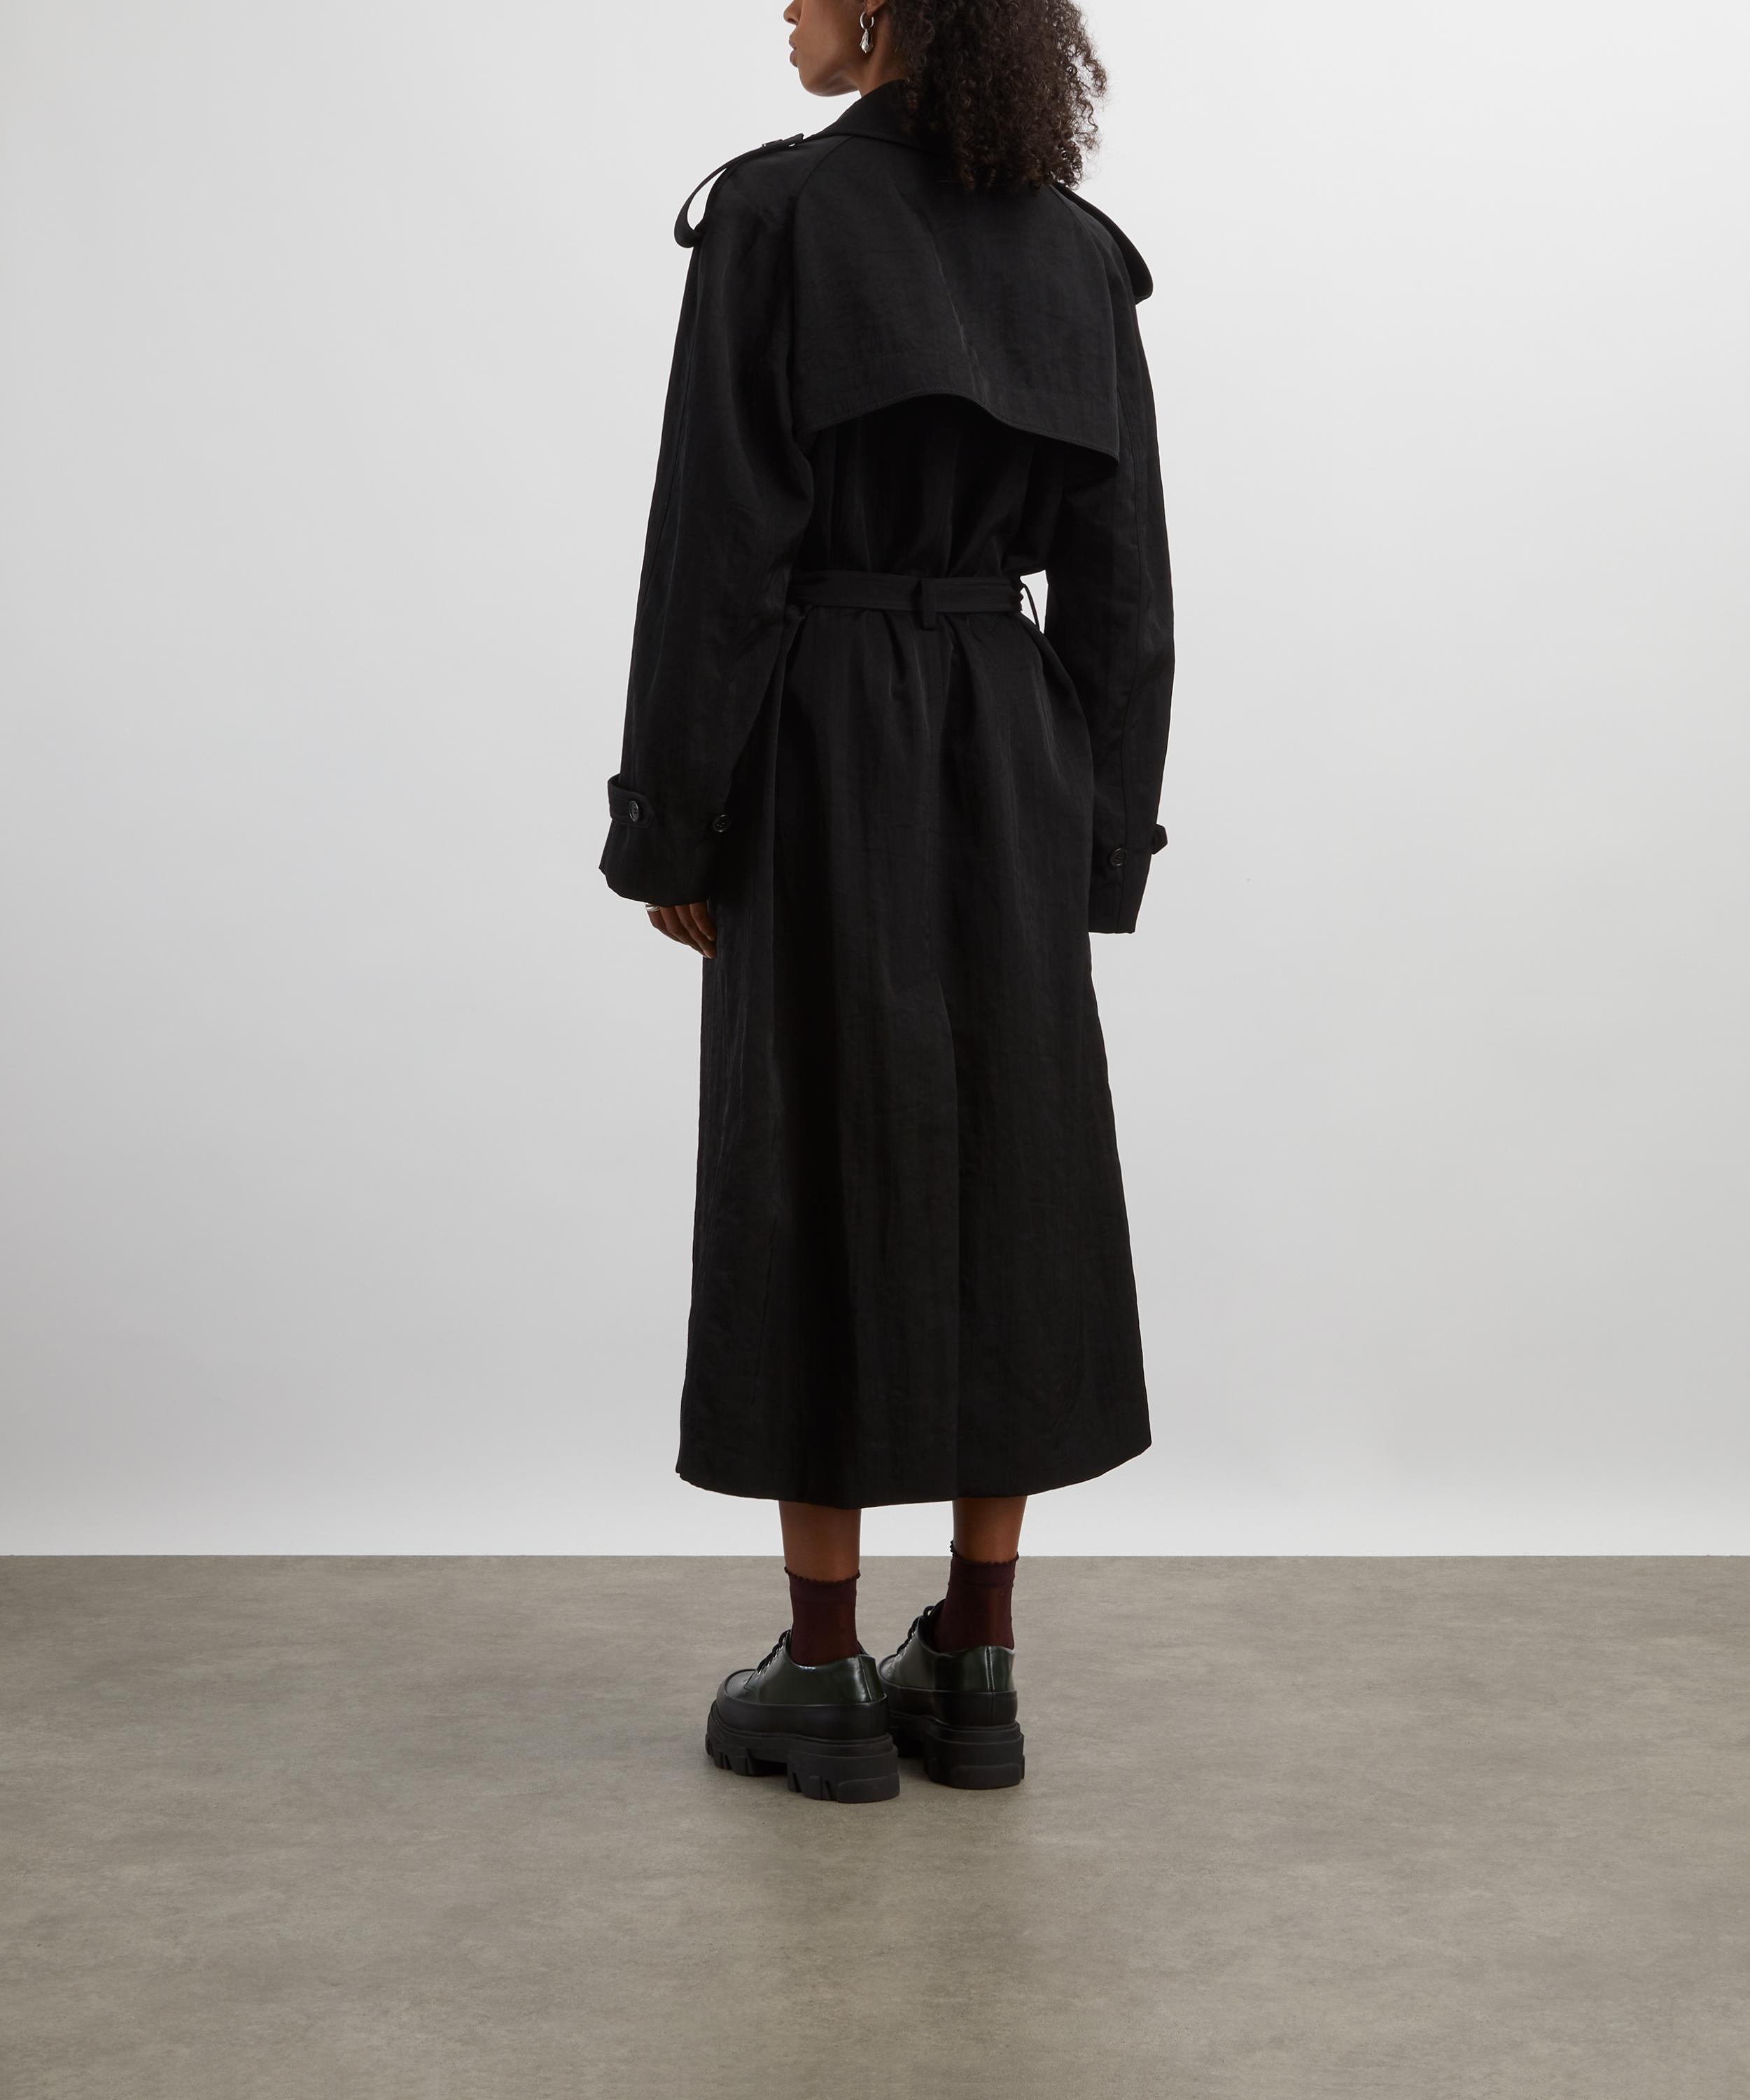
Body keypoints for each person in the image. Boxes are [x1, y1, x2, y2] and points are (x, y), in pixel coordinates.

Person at [600, 0, 1173, 1802]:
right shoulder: (1077, 252)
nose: (781, 7)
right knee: (1015, 1162)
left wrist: (671, 826)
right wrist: (1103, 838)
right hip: (1013, 737)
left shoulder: (777, 216)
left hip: (819, 732)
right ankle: (976, 1658)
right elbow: (1124, 583)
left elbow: (715, 540)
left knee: (811, 1158)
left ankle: (825, 1671)